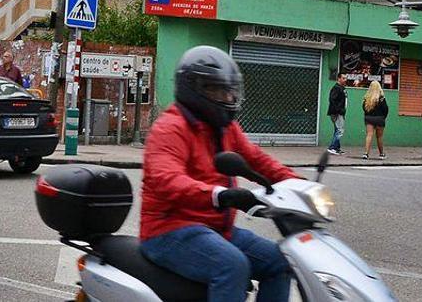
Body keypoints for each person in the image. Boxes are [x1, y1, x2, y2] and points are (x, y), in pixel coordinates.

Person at [141, 46, 299, 302]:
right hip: (168, 230)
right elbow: (166, 179)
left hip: (215, 229)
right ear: (195, 88)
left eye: (230, 90)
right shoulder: (170, 128)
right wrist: (220, 195)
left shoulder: (225, 127)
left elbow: (257, 160)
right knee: (232, 265)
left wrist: (299, 186)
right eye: (219, 89)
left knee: (280, 262)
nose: (228, 97)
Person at [362, 80, 389, 160]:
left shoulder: (366, 98)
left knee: (369, 135)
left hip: (369, 118)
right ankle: (381, 154)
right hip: (380, 118)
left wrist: (368, 114)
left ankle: (366, 153)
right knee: (379, 137)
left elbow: (364, 108)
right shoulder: (381, 98)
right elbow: (386, 109)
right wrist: (383, 117)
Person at [326, 73, 347, 155]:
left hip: (339, 112)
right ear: (339, 79)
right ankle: (332, 147)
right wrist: (339, 110)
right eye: (343, 78)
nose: (345, 80)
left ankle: (337, 148)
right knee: (340, 130)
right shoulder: (336, 88)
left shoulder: (341, 88)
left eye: (346, 78)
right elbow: (332, 100)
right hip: (337, 113)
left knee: (337, 130)